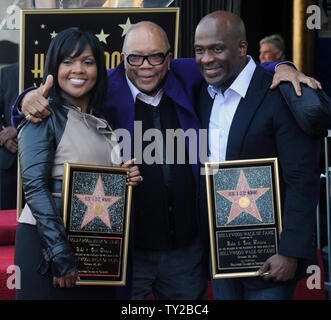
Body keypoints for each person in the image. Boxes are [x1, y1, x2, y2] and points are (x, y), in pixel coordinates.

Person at [12, 21, 323, 300]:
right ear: (123, 60)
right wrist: (25, 99)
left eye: (156, 56)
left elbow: (231, 62)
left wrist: (282, 66)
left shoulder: (187, 74)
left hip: (185, 251)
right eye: (136, 57)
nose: (146, 66)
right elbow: (62, 92)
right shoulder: (103, 85)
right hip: (126, 248)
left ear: (170, 58)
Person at [194, 11, 320, 300]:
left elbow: (303, 179)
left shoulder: (280, 92)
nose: (206, 58)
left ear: (241, 48)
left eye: (217, 48)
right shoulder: (202, 92)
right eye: (199, 50)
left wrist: (290, 252)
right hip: (221, 252)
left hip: (270, 257)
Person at [14, 27, 140, 300]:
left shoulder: (101, 120)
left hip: (95, 249)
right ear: (53, 67)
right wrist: (58, 253)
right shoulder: (42, 117)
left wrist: (122, 178)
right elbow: (35, 188)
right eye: (67, 61)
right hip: (48, 246)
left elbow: (91, 179)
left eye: (88, 61)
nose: (78, 70)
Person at [0, 62, 19, 210]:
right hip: (9, 161)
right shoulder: (6, 73)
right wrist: (3, 137)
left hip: (45, 164)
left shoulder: (55, 71)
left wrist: (18, 128)